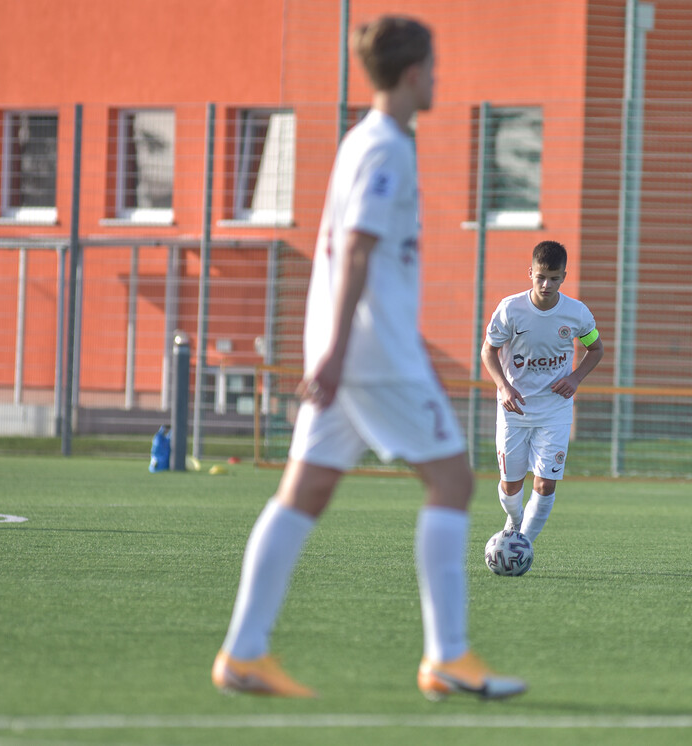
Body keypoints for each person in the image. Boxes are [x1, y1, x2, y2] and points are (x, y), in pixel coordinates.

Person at [212, 15, 526, 702]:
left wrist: (327, 349)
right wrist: (334, 353)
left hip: (347, 349)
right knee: (451, 482)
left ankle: (243, 652)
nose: (439, 78)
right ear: (414, 73)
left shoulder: (366, 139)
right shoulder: (385, 147)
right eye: (435, 67)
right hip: (374, 354)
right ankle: (447, 657)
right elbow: (356, 247)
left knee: (305, 492)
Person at [481, 240, 604, 546]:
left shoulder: (577, 314)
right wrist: (504, 386)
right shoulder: (510, 310)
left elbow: (596, 348)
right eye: (540, 276)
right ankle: (514, 520)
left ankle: (524, 545)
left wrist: (575, 379)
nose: (546, 284)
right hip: (515, 409)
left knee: (546, 483)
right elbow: (488, 351)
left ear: (564, 276)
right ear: (530, 273)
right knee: (511, 486)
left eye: (554, 277)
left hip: (555, 410)